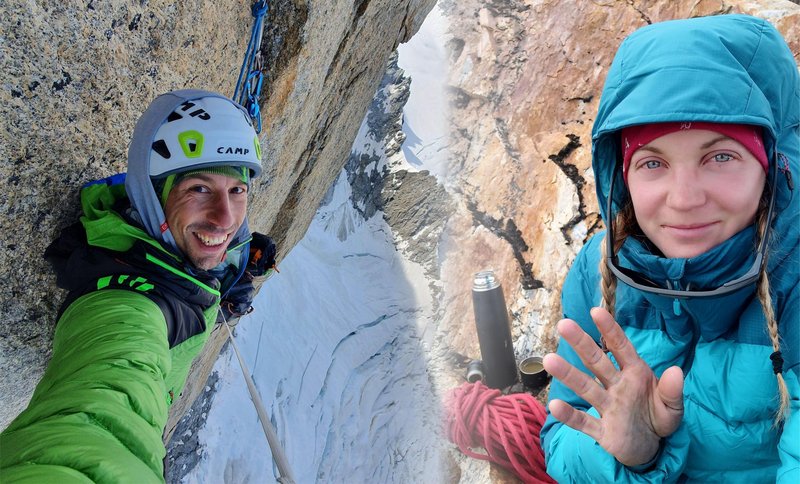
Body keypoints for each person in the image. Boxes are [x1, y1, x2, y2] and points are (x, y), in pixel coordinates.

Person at [541, 14, 798, 482]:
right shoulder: (599, 270)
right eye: (652, 162)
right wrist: (636, 456)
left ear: (771, 165)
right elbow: (562, 437)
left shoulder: (793, 278)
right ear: (621, 177)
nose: (683, 200)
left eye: (720, 157)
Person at [0, 90, 275, 482]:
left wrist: (226, 281)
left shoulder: (159, 253)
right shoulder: (127, 310)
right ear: (154, 194)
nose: (225, 218)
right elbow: (99, 419)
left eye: (238, 190)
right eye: (198, 188)